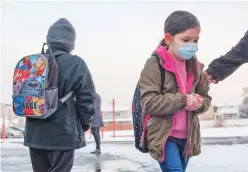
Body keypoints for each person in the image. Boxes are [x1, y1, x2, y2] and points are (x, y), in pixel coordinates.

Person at [138, 11, 212, 172]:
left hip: (188, 138)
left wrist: (198, 103)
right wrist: (184, 100)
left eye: (196, 40)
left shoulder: (196, 67)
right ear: (169, 38)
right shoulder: (154, 64)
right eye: (186, 40)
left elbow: (206, 98)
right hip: (165, 137)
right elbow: (148, 102)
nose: (192, 45)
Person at [24, 18, 96, 172]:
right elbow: (88, 98)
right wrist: (84, 124)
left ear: (49, 39)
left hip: (34, 134)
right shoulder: (76, 64)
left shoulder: (34, 62)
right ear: (70, 43)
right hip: (62, 134)